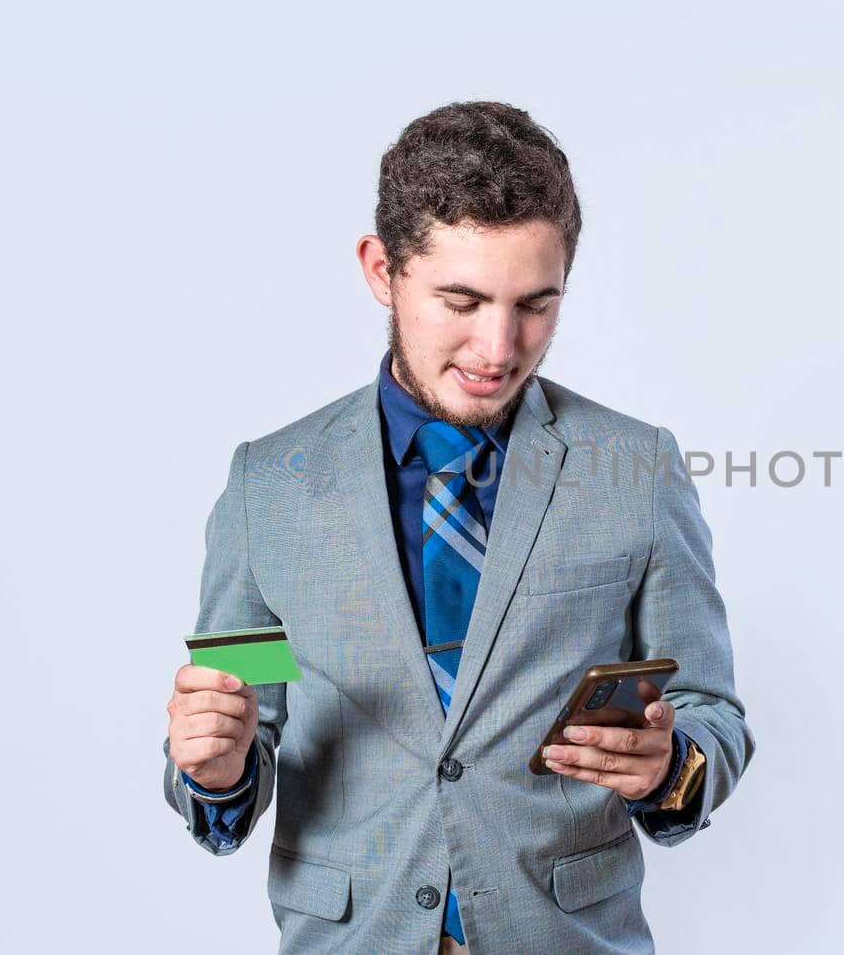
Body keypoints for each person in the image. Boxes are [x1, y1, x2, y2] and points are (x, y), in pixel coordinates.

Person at [160, 101, 755, 953]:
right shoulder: (271, 488)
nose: (498, 347)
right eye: (461, 300)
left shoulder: (637, 469)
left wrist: (670, 767)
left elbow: (710, 708)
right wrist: (215, 769)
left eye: (535, 305)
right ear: (381, 270)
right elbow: (244, 714)